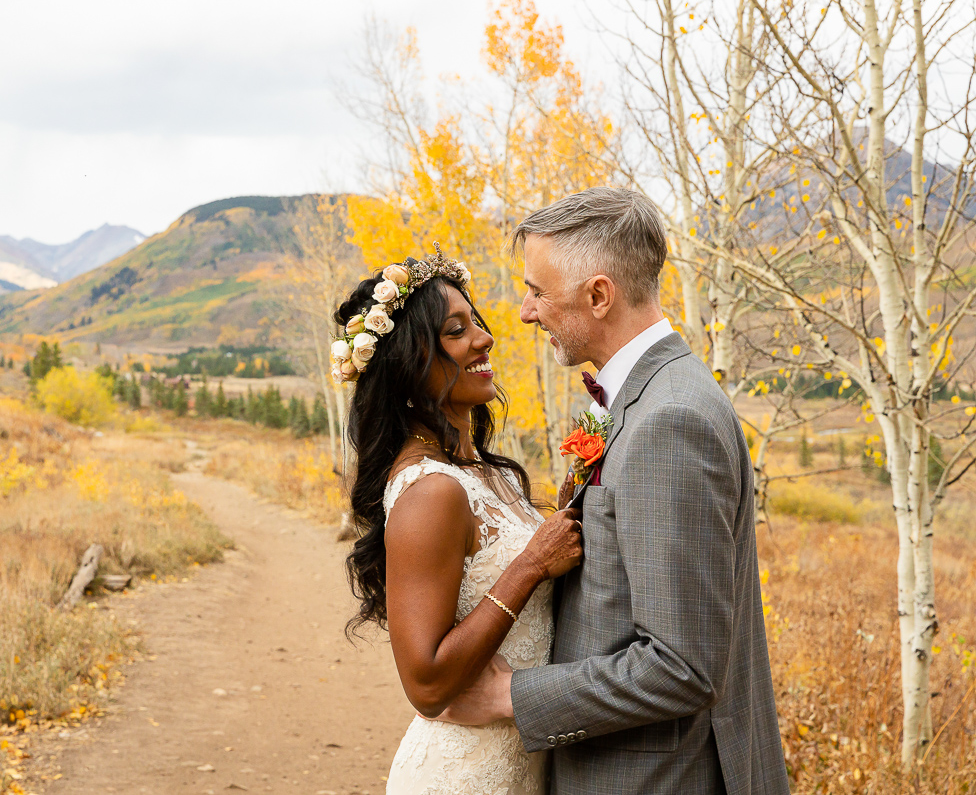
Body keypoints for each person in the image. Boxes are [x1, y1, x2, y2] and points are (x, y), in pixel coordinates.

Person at [434, 188, 789, 794]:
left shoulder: (670, 421)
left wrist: (510, 696)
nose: (523, 312)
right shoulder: (638, 398)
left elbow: (681, 666)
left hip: (656, 778)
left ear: (599, 295)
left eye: (538, 291)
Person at [332, 246, 584, 795]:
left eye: (477, 322)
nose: (485, 338)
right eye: (455, 330)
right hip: (464, 775)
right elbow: (425, 684)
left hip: (525, 763)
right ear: (408, 363)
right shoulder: (431, 492)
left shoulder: (488, 474)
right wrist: (531, 564)